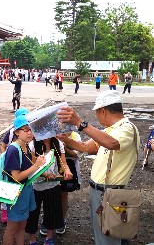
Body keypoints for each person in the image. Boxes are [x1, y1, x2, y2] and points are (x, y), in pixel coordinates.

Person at [56, 90, 140, 245]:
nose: (96, 116)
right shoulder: (110, 130)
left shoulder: (126, 128)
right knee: (106, 233)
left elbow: (112, 143)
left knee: (110, 237)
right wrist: (62, 139)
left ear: (103, 110)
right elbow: (85, 147)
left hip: (111, 191)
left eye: (97, 112)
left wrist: (80, 123)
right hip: (102, 191)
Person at [2, 115, 46, 245]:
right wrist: (37, 165)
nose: (29, 133)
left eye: (31, 129)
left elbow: (30, 167)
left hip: (25, 190)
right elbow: (16, 177)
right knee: (12, 227)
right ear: (16, 132)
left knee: (22, 225)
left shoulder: (25, 146)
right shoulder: (13, 149)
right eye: (25, 130)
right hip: (16, 192)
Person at [26, 136, 72, 245]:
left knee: (52, 211)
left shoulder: (58, 143)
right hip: (35, 185)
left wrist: (67, 171)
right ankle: (32, 239)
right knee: (33, 213)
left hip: (53, 184)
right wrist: (45, 174)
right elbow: (33, 165)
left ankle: (49, 237)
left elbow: (63, 163)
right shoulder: (33, 144)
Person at [0, 108, 29, 224]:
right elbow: (3, 145)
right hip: (12, 167)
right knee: (7, 187)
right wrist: (5, 156)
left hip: (22, 176)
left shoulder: (27, 139)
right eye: (25, 129)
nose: (29, 131)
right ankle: (4, 211)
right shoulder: (12, 140)